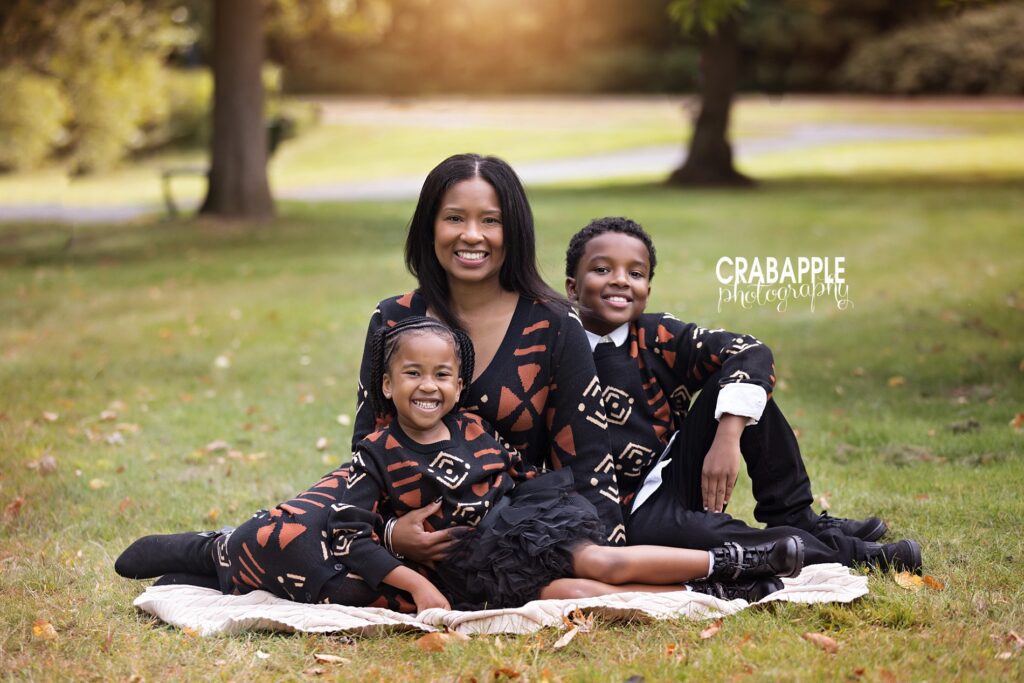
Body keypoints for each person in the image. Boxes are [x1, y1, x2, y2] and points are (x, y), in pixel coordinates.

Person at [116, 318, 806, 610]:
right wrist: (416, 583)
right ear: (385, 386)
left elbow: (507, 469)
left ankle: (736, 566)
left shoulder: (477, 425)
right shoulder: (378, 453)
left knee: (599, 561)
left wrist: (543, 502)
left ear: (460, 382)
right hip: (470, 570)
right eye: (411, 373)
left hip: (518, 529)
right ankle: (696, 598)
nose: (428, 385)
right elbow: (350, 533)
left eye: (443, 374)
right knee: (570, 598)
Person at [562, 216, 922, 572]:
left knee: (741, 384)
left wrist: (728, 433)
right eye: (603, 270)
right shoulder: (557, 346)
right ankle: (843, 553)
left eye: (636, 274)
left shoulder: (656, 336)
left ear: (648, 291)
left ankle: (795, 516)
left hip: (674, 473)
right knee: (708, 535)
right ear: (572, 287)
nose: (621, 281)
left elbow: (749, 350)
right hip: (628, 516)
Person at [352, 153, 627, 569]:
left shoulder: (551, 323)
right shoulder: (393, 319)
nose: (472, 235)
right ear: (430, 227)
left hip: (521, 536)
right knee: (288, 536)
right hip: (412, 544)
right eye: (455, 219)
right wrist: (390, 534)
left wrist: (605, 559)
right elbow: (366, 448)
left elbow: (588, 462)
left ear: (513, 230)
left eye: (491, 221)